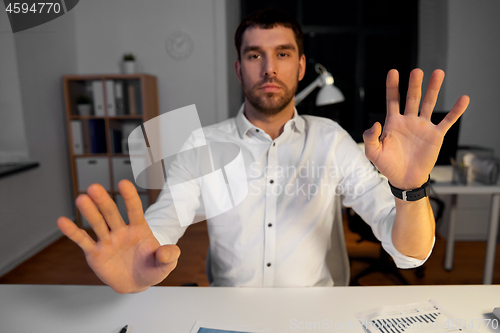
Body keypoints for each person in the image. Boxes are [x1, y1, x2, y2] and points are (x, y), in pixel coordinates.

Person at [57, 9, 470, 293]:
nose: (269, 67)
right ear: (239, 67)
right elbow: (168, 216)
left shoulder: (330, 139)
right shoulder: (202, 143)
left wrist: (412, 189)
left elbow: (410, 253)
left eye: (282, 54)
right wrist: (141, 253)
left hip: (315, 317)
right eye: (255, 55)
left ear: (301, 67)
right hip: (228, 313)